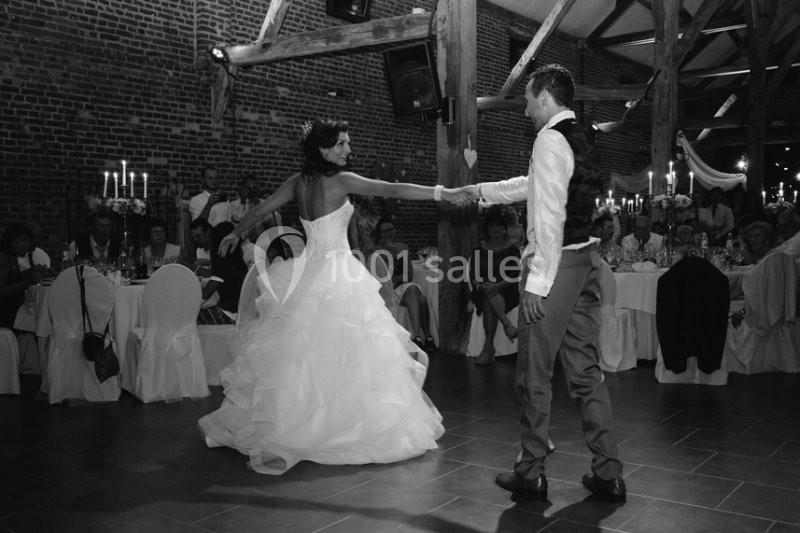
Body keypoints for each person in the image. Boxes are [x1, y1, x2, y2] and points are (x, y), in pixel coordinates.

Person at [198, 118, 470, 475]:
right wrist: (442, 193)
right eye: (341, 144)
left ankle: (300, 424)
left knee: (305, 355)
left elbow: (262, 210)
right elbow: (392, 189)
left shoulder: (298, 182)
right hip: (338, 273)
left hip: (307, 271)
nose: (348, 149)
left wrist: (236, 231)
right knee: (344, 352)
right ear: (323, 149)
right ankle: (339, 429)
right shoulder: (341, 181)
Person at [462, 64, 625, 501]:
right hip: (587, 261)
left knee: (533, 375)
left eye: (530, 100)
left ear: (546, 97)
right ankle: (609, 473)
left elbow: (549, 217)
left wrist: (536, 284)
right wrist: (480, 191)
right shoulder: (582, 136)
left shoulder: (549, 139)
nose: (526, 110)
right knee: (586, 373)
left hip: (559, 268)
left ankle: (530, 471)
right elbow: (533, 186)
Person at [468, 207, 521, 365]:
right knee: (487, 294)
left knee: (489, 297)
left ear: (504, 228)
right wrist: (480, 285)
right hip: (483, 289)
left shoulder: (512, 249)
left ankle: (488, 349)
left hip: (507, 289)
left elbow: (514, 274)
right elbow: (473, 275)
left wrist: (497, 286)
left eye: (499, 225)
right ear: (487, 229)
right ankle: (507, 325)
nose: (496, 229)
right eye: (492, 226)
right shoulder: (479, 250)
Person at [374, 218, 433, 347]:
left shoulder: (403, 247)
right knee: (421, 299)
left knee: (413, 290)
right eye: (384, 231)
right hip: (388, 291)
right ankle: (427, 336)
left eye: (390, 230)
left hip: (403, 287)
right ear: (380, 234)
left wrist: (394, 278)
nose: (388, 233)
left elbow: (409, 275)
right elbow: (380, 278)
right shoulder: (377, 251)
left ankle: (417, 336)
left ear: (394, 231)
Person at [0, 224, 46, 329]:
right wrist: (28, 282)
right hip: (4, 316)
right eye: (23, 240)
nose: (27, 244)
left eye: (28, 241)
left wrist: (33, 271)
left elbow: (12, 278)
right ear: (9, 240)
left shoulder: (12, 258)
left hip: (12, 312)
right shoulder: (2, 258)